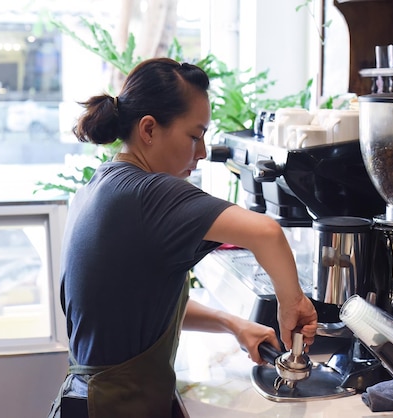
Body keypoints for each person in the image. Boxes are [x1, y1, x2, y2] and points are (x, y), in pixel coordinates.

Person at [48, 57, 318, 418]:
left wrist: (233, 325)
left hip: (88, 402)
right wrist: (294, 303)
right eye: (195, 135)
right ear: (148, 129)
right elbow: (266, 232)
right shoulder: (147, 191)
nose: (203, 152)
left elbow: (138, 307)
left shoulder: (103, 185)